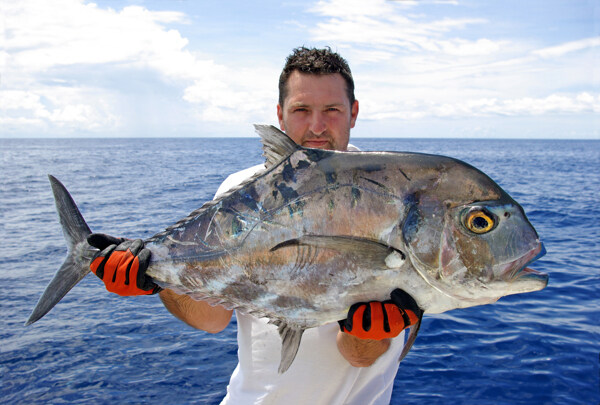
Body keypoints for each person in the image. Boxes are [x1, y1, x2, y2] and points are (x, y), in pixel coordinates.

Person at [87, 47, 421, 404]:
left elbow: (358, 356)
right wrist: (153, 279)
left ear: (353, 112)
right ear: (280, 115)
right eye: (302, 110)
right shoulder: (241, 189)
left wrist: (369, 334)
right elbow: (211, 319)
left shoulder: (389, 193)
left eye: (332, 110)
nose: (317, 126)